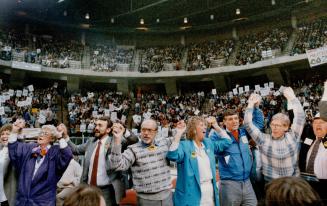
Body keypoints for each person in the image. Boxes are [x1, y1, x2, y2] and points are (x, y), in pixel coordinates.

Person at [59, 117, 138, 206]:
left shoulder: (115, 140)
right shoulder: (91, 142)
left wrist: (124, 131)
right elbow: (75, 150)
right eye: (96, 125)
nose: (96, 128)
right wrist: (65, 136)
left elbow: (134, 141)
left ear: (108, 130)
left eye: (100, 126)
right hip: (89, 188)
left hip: (108, 191)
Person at [108, 119, 185, 206]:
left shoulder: (164, 142)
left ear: (156, 132)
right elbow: (116, 165)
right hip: (145, 200)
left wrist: (180, 130)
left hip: (167, 198)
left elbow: (181, 138)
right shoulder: (133, 149)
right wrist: (117, 140)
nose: (146, 133)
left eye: (149, 130)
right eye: (143, 130)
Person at [167, 116, 232, 206]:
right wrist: (179, 133)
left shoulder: (208, 143)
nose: (205, 127)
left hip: (210, 191)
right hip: (191, 193)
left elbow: (228, 141)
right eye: (201, 125)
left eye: (205, 125)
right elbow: (172, 156)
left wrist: (216, 126)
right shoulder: (184, 145)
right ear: (193, 129)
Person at [244, 87, 305, 182]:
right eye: (273, 124)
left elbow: (300, 116)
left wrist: (293, 98)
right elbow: (248, 124)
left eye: (278, 125)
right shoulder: (263, 139)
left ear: (286, 127)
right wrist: (251, 104)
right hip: (271, 184)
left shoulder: (293, 136)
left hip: (292, 183)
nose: (274, 128)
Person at [211, 100, 264, 206]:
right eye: (230, 119)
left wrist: (256, 108)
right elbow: (213, 149)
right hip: (229, 184)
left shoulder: (243, 132)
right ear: (224, 122)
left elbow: (258, 125)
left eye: (236, 118)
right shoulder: (217, 135)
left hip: (247, 181)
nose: (234, 121)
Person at [8, 123, 72, 206]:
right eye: (41, 132)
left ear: (52, 139)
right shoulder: (30, 148)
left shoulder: (55, 152)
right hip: (23, 202)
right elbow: (14, 149)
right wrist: (14, 131)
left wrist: (60, 137)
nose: (41, 135)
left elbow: (67, 155)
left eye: (46, 133)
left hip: (43, 202)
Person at [304, 112, 327, 203]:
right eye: (315, 123)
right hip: (307, 188)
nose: (318, 125)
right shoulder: (309, 140)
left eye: (322, 122)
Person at [0, 124, 12, 206]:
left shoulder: (16, 152)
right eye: (2, 134)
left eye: (8, 134)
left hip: (7, 197)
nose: (4, 136)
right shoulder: (1, 150)